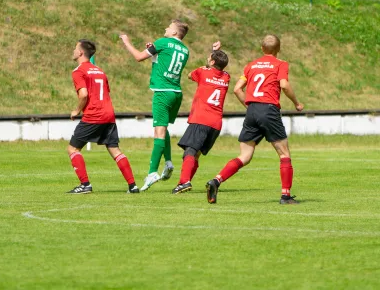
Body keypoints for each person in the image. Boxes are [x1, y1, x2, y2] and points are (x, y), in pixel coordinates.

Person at [205, 34, 303, 205]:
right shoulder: (280, 64)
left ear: (261, 48)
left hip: (252, 111)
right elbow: (284, 85)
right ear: (278, 49)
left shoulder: (251, 65)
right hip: (269, 110)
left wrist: (250, 108)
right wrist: (297, 103)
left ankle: (216, 180)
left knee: (245, 156)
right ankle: (285, 196)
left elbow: (237, 89)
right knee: (284, 154)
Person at [119, 19, 190, 191]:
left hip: (162, 92)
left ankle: (152, 172)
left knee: (158, 131)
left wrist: (126, 42)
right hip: (176, 93)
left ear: (174, 33)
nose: (165, 28)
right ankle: (168, 162)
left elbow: (138, 57)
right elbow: (164, 59)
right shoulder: (185, 50)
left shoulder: (163, 42)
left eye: (169, 27)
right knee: (163, 128)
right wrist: (155, 51)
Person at [66, 39, 139, 194]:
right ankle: (133, 186)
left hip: (94, 115)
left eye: (75, 48)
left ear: (80, 52)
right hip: (108, 114)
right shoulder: (99, 71)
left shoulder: (78, 71)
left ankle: (85, 185)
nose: (73, 50)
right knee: (115, 149)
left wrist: (77, 110)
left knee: (73, 148)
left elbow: (84, 94)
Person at [172, 41, 230, 194]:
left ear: (211, 62)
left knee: (189, 152)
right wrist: (216, 52)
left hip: (201, 119)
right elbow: (218, 65)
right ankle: (183, 183)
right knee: (196, 154)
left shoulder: (202, 72)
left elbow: (190, 75)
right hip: (215, 123)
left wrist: (212, 54)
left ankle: (184, 182)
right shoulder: (226, 77)